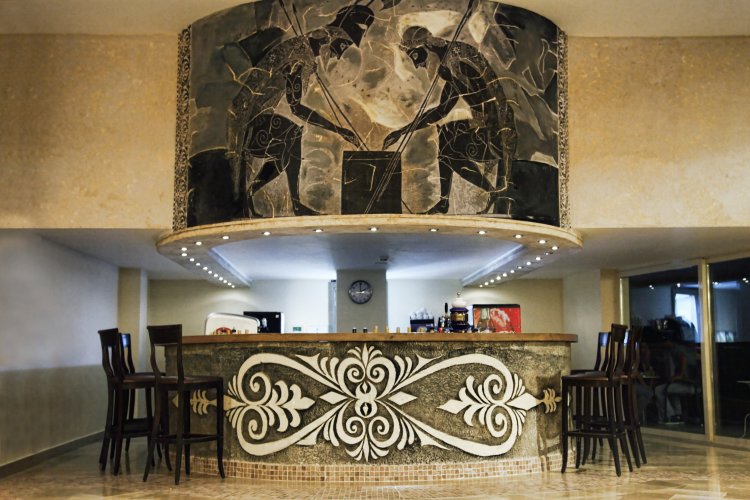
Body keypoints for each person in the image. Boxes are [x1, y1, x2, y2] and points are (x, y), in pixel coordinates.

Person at [227, 6, 374, 216]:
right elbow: (297, 109)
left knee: (284, 153)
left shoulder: (303, 50)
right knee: (292, 134)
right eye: (342, 44)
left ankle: (249, 196)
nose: (340, 54)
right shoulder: (300, 57)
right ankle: (296, 205)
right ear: (330, 36)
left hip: (254, 122)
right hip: (250, 124)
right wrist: (338, 130)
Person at [383, 26, 518, 215]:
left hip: (498, 136)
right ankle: (446, 201)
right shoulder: (451, 63)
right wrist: (402, 131)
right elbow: (441, 111)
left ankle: (491, 191)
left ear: (427, 46)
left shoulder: (457, 61)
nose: (417, 65)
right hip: (490, 129)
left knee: (448, 142)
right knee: (446, 133)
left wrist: (481, 124)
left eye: (415, 56)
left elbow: (491, 101)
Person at [654, 339, 700, 424]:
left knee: (659, 390)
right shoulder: (689, 352)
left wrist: (679, 375)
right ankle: (678, 415)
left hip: (691, 385)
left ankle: (671, 416)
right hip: (688, 384)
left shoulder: (680, 350)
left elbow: (683, 359)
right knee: (671, 389)